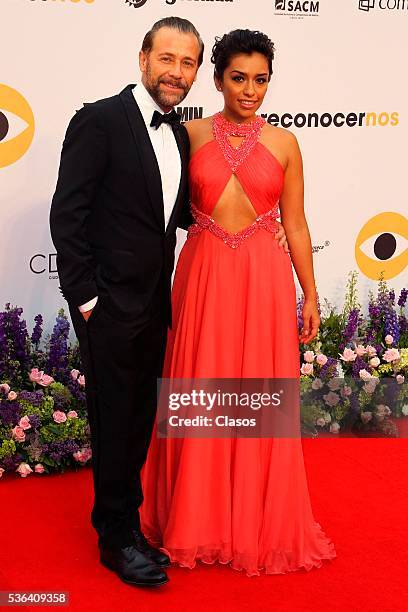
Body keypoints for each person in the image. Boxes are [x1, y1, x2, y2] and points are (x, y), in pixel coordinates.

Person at [49, 18, 288, 588]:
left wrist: (260, 230)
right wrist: (86, 301)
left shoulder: (179, 134)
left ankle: (129, 527)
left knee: (137, 421)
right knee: (114, 421)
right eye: (167, 60)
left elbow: (180, 214)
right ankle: (114, 539)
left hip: (160, 304)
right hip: (107, 306)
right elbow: (69, 215)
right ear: (143, 58)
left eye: (186, 64)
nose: (175, 73)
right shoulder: (99, 120)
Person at [140, 29, 337, 577]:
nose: (251, 90)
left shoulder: (285, 143)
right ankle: (193, 519)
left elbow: (295, 222)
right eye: (239, 78)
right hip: (202, 272)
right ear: (217, 77)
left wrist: (311, 294)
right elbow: (162, 209)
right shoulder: (186, 134)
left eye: (261, 80)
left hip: (264, 279)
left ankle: (251, 522)